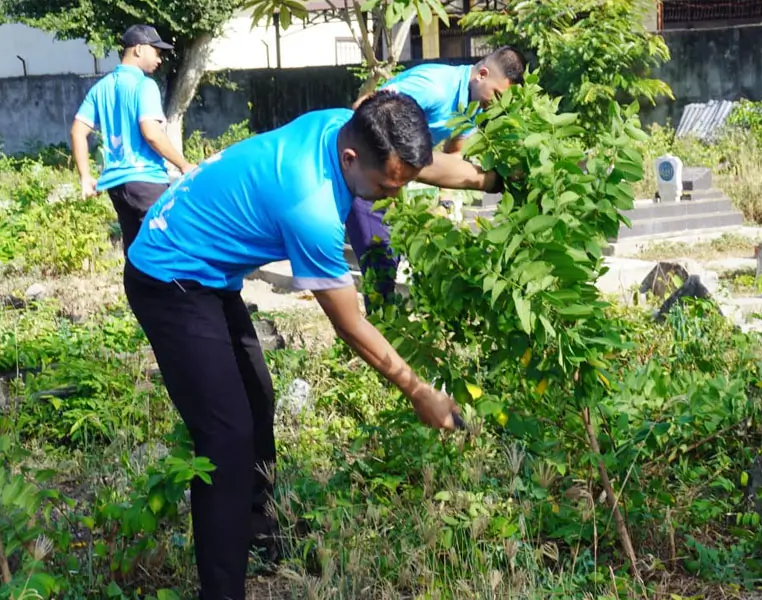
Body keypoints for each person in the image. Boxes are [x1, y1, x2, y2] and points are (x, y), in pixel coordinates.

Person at [124, 89, 501, 600]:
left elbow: (424, 168)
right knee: (226, 440)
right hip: (170, 276)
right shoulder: (311, 204)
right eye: (386, 187)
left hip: (209, 268)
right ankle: (222, 590)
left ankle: (258, 533)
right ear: (350, 159)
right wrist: (418, 390)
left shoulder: (350, 127)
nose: (393, 197)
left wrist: (493, 180)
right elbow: (350, 327)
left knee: (257, 400)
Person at [348, 46, 526, 310]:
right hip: (363, 171)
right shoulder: (434, 88)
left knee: (392, 257)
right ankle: (379, 335)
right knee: (381, 265)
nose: (497, 104)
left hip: (392, 181)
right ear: (483, 74)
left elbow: (453, 153)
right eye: (498, 95)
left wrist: (444, 203)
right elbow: (364, 108)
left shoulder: (473, 105)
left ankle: (383, 331)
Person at [70, 24, 196, 255]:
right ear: (138, 49)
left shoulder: (101, 88)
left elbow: (78, 131)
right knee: (168, 250)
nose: (159, 59)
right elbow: (151, 133)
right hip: (145, 182)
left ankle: (137, 291)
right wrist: (184, 165)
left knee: (136, 252)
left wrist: (86, 177)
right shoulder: (145, 85)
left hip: (118, 187)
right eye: (156, 52)